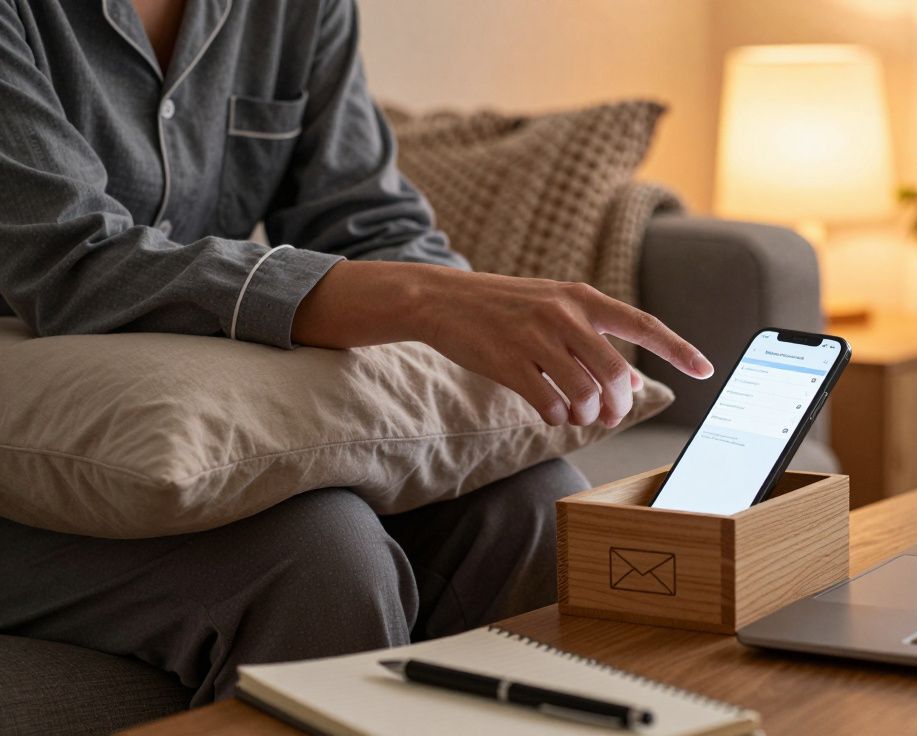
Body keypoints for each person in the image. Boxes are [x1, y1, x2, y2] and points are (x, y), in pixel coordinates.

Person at [0, 0, 713, 705]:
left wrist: (471, 314)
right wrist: (421, 302)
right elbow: (70, 263)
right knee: (319, 557)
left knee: (531, 506)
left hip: (163, 408)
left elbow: (367, 221)